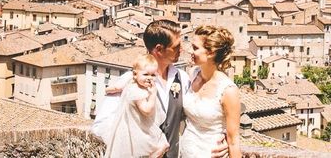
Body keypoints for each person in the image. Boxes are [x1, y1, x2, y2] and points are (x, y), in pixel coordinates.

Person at [92, 19, 228, 158]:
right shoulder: (129, 81)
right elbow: (101, 126)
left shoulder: (182, 78)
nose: (181, 50)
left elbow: (198, 113)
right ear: (159, 49)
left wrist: (221, 138)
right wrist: (134, 149)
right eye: (176, 47)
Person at [179, 25, 242, 158]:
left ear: (211, 52)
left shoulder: (227, 90)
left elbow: (234, 141)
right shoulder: (193, 74)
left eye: (195, 48)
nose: (191, 51)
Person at [102, 54, 170, 158]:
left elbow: (117, 87)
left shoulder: (130, 81)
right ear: (135, 74)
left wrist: (108, 90)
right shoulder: (137, 92)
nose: (149, 78)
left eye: (153, 75)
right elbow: (146, 110)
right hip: (138, 129)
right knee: (162, 144)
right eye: (146, 74)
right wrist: (153, 94)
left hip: (139, 125)